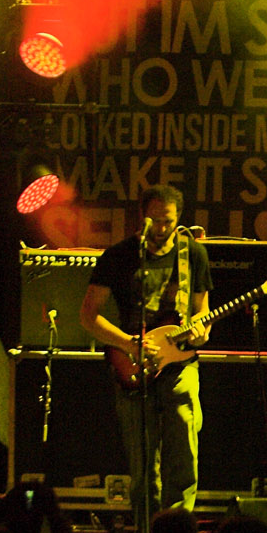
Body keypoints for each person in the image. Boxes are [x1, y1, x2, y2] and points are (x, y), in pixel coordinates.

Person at [80, 186, 212, 514]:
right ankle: (146, 530)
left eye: (168, 221)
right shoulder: (119, 256)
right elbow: (88, 315)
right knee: (142, 460)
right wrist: (128, 343)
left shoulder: (193, 254)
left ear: (178, 218)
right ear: (142, 216)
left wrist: (201, 333)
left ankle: (178, 527)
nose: (161, 227)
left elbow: (202, 311)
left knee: (184, 449)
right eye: (154, 220)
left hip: (180, 364)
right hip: (133, 365)